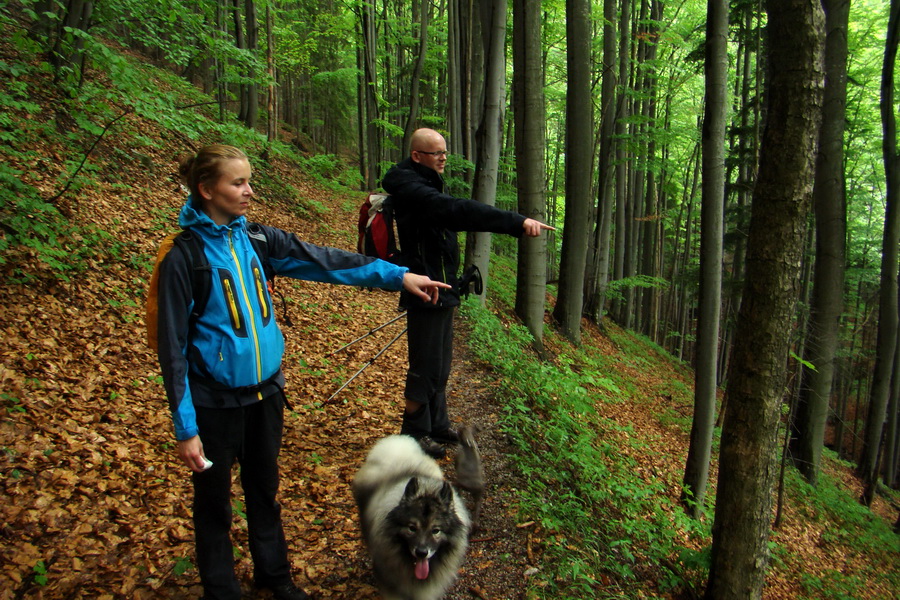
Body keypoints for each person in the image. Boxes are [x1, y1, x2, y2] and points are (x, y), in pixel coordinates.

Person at [154, 144, 449, 600]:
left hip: (266, 395)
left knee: (265, 491)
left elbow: (324, 261)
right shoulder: (183, 257)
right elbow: (171, 348)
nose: (250, 191)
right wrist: (185, 427)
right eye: (238, 183)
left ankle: (275, 577)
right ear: (206, 189)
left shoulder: (256, 240)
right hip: (214, 403)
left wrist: (398, 276)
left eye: (249, 180)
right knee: (214, 504)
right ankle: (221, 588)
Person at [381, 128, 553, 459]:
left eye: (445, 152)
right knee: (425, 366)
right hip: (425, 289)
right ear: (417, 156)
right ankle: (413, 434)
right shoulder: (414, 190)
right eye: (437, 154)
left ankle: (436, 423)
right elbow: (459, 211)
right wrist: (516, 222)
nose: (443, 158)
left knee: (441, 363)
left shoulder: (425, 183)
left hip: (443, 286)